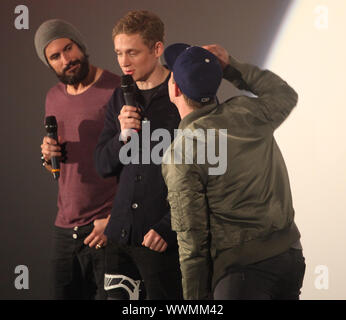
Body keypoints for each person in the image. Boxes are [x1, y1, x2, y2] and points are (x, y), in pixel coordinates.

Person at [162, 43, 305, 300]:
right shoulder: (248, 112)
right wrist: (232, 66)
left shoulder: (183, 151)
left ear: (174, 89)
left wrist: (195, 298)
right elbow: (285, 94)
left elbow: (191, 236)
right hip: (289, 256)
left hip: (242, 275)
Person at [94, 10, 183, 300]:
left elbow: (206, 173)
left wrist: (169, 226)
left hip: (161, 239)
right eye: (119, 53)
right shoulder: (120, 96)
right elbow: (103, 165)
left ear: (157, 49)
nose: (123, 62)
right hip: (120, 238)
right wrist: (122, 136)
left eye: (132, 52)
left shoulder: (183, 94)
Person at [34, 19, 120, 299]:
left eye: (68, 48)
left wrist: (114, 218)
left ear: (80, 46)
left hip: (104, 227)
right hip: (65, 228)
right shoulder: (53, 97)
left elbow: (139, 164)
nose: (66, 60)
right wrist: (48, 157)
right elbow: (58, 169)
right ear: (49, 64)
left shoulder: (114, 90)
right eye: (55, 57)